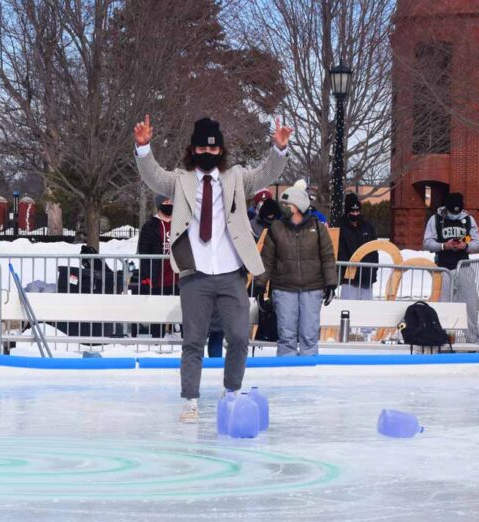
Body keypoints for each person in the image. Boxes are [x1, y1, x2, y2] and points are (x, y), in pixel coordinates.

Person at [133, 114, 291, 422]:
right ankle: (190, 400)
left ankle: (231, 392)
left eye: (214, 149)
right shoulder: (180, 179)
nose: (208, 154)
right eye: (202, 149)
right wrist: (143, 147)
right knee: (193, 340)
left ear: (221, 151)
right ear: (192, 150)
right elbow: (152, 176)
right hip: (196, 274)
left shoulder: (235, 178)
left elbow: (266, 174)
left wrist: (279, 149)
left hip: (232, 273)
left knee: (239, 336)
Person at [256, 181, 337, 356]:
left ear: (298, 206)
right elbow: (267, 259)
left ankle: (308, 374)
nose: (283, 207)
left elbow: (328, 257)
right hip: (284, 289)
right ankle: (286, 373)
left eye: (287, 204)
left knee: (309, 336)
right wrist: (260, 284)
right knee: (286, 337)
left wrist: (331, 283)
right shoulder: (276, 228)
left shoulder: (317, 228)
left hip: (312, 288)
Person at [423, 192, 479, 342]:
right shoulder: (435, 219)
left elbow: (478, 243)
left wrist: (466, 245)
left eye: (457, 212)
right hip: (443, 268)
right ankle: (445, 339)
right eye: (452, 212)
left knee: (469, 306)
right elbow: (426, 242)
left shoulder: (469, 219)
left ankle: (472, 340)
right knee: (444, 306)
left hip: (463, 266)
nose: (455, 215)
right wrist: (444, 245)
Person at [337, 192, 378, 299]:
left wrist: (373, 271)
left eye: (357, 211)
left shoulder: (368, 227)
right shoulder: (341, 228)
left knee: (366, 311)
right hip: (349, 279)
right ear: (347, 211)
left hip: (366, 277)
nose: (355, 214)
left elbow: (374, 250)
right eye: (352, 211)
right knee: (348, 308)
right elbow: (340, 252)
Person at [137, 195, 177, 297]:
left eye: (171, 202)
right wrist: (146, 276)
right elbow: (144, 253)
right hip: (157, 278)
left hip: (177, 279)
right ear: (159, 205)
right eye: (166, 202)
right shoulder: (150, 226)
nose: (169, 205)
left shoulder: (179, 224)